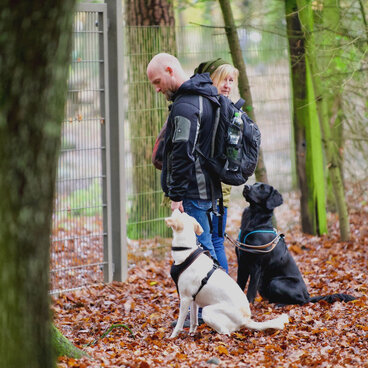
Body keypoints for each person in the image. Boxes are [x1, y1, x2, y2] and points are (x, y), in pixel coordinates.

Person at [147, 53, 222, 261]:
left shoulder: (186, 105)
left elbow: (183, 152)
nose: (157, 88)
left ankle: (221, 294)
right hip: (207, 188)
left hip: (193, 192)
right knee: (211, 248)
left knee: (203, 253)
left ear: (170, 70)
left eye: (157, 81)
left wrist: (177, 195)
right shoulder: (203, 95)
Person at [194, 58, 239, 273]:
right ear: (211, 79)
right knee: (213, 241)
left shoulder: (226, 109)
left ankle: (221, 296)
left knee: (215, 241)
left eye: (231, 80)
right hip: (210, 187)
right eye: (224, 79)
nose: (228, 84)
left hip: (219, 189)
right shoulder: (211, 106)